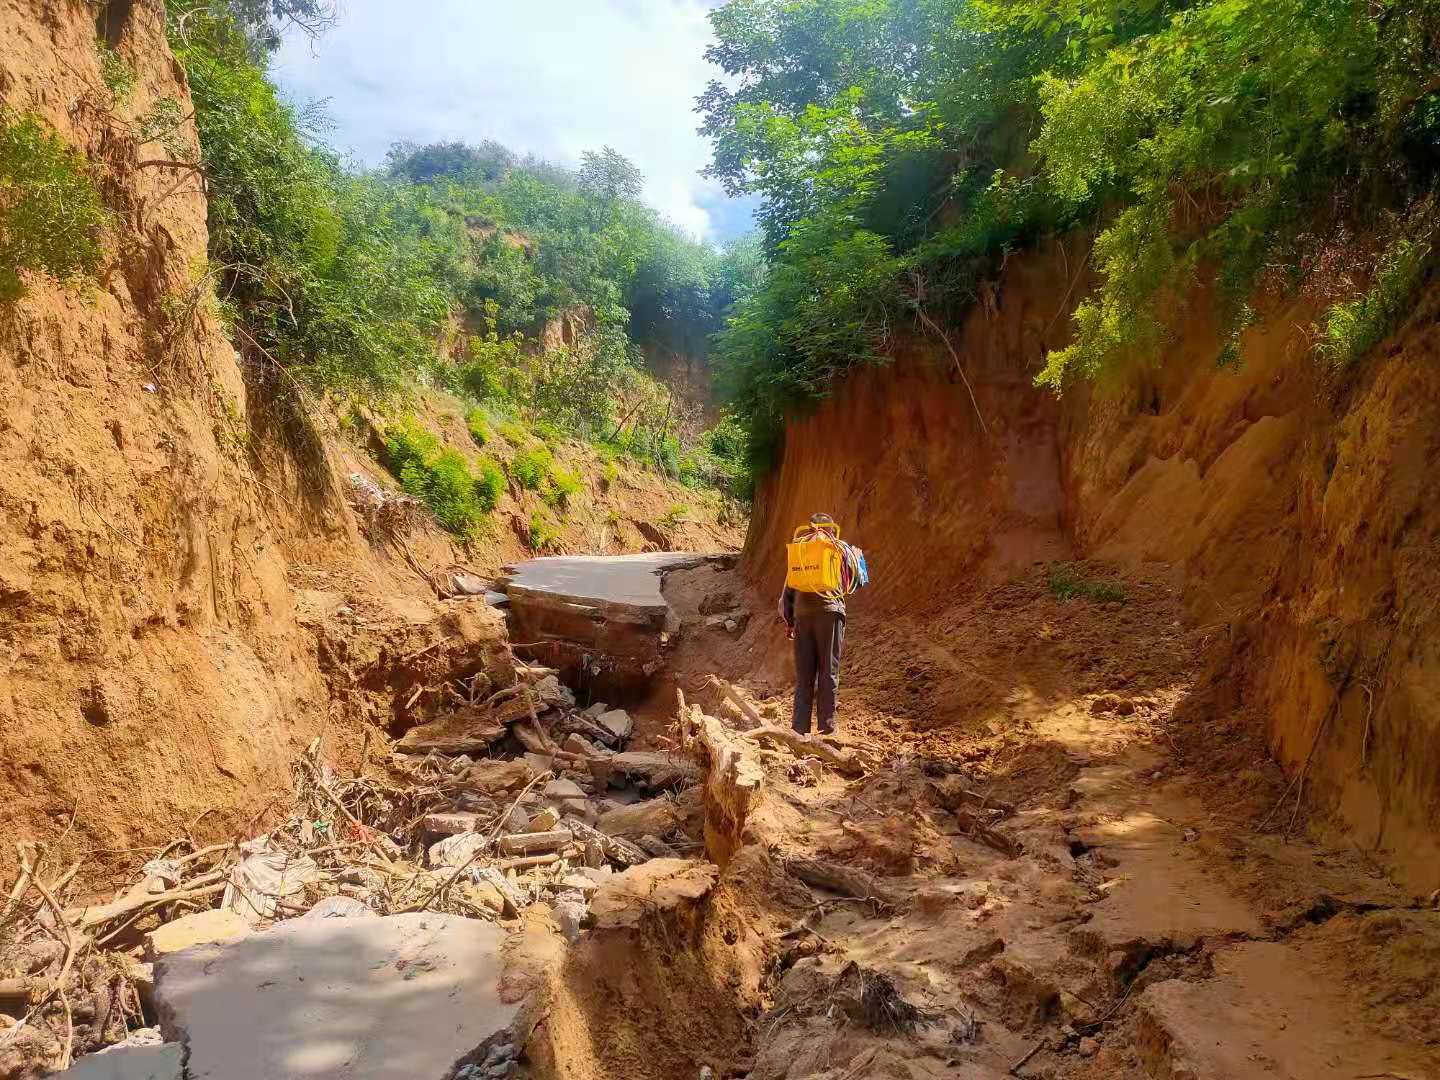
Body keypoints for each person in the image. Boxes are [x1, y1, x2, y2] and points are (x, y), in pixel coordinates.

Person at [780, 512, 847, 737]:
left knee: (805, 675)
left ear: (810, 529)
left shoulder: (799, 552)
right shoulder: (836, 548)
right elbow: (854, 579)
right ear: (829, 528)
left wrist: (790, 622)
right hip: (830, 614)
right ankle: (826, 729)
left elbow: (784, 598)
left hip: (802, 617)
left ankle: (799, 730)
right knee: (828, 672)